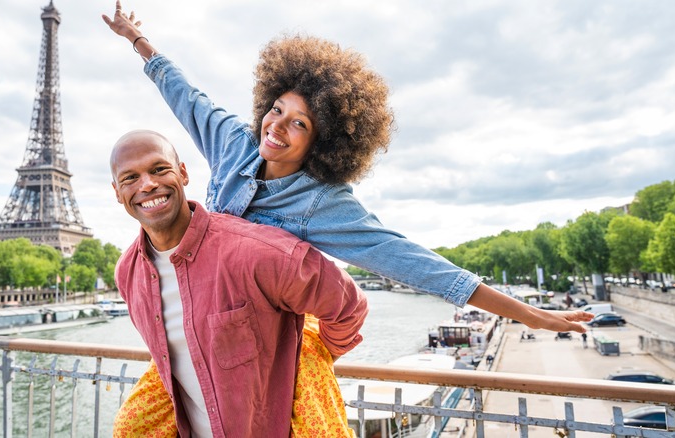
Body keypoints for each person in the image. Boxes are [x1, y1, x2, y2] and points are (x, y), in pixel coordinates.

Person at [102, 2, 594, 435]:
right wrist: (137, 40)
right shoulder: (234, 141)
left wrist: (530, 313)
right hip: (213, 322)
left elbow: (412, 262)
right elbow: (187, 97)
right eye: (276, 110)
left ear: (324, 140)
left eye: (300, 123)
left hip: (274, 339)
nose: (277, 127)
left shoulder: (323, 202)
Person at [110, 129, 368, 436]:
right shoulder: (128, 273)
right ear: (117, 192)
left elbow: (348, 306)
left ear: (182, 173)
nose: (148, 184)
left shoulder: (256, 251)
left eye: (158, 169)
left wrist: (310, 357)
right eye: (130, 178)